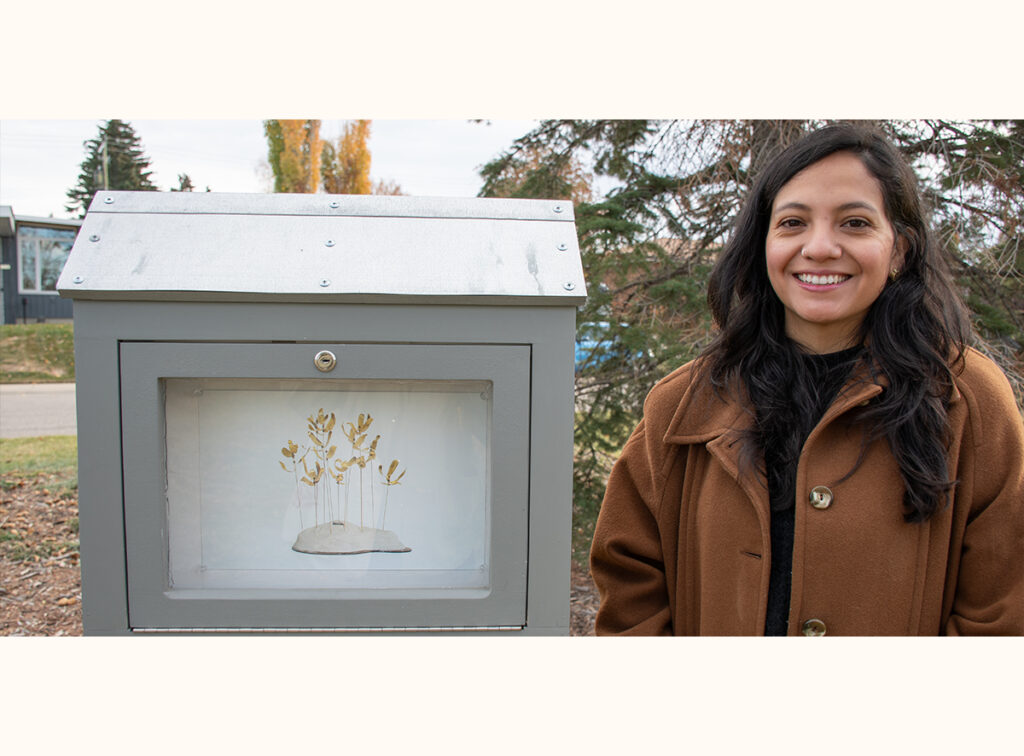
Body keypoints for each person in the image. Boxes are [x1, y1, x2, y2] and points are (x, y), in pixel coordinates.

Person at [589, 124, 1024, 636]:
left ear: (900, 249)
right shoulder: (683, 405)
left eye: (855, 223)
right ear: (764, 244)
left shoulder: (969, 400)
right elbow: (630, 591)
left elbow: (1001, 611)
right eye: (793, 222)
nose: (819, 248)